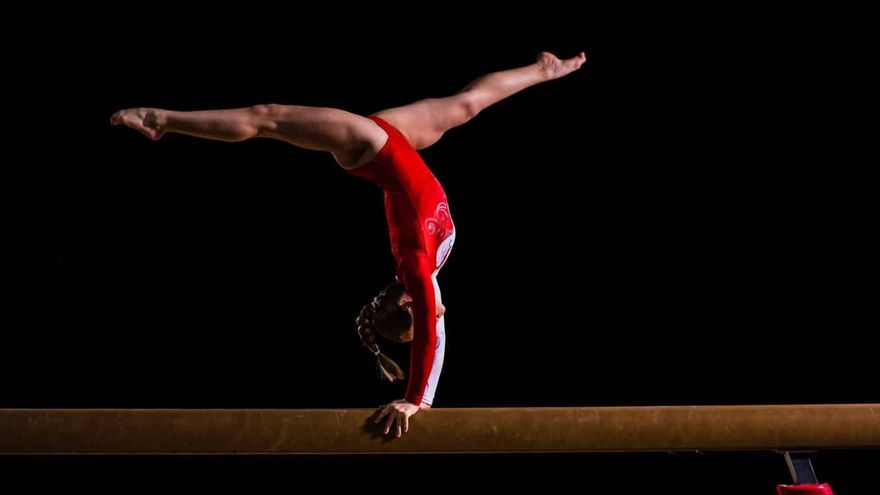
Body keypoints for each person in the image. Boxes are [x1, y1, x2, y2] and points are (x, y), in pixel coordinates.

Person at [111, 51, 587, 438]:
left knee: (267, 118)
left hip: (371, 148)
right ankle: (542, 70)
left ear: (409, 303)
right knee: (466, 105)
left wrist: (416, 400)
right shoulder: (428, 276)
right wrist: (423, 398)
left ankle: (162, 119)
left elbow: (429, 332)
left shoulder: (417, 268)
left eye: (426, 314)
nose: (441, 314)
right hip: (397, 140)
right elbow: (435, 336)